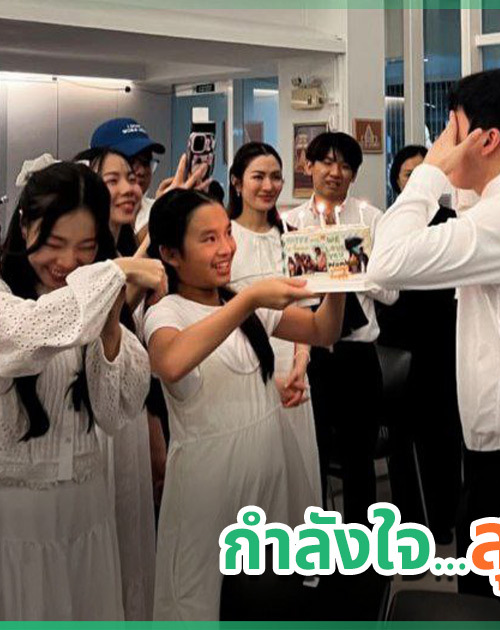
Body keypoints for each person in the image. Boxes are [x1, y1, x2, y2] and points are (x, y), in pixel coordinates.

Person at [367, 69, 500, 610]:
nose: (444, 142)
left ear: (487, 140)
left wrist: (429, 171)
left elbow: (386, 262)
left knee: (499, 611)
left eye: (452, 129)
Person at [0, 162, 162, 620]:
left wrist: (111, 320)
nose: (67, 262)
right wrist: (112, 272)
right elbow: (23, 338)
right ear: (24, 225)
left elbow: (114, 410)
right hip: (8, 520)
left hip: (85, 514)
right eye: (54, 243)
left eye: (86, 247)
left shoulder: (92, 298)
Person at [143, 189, 345, 620]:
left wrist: (339, 282)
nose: (227, 248)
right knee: (199, 600)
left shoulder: (242, 303)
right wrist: (248, 300)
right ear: (171, 254)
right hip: (208, 486)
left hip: (266, 471)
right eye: (209, 239)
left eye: (227, 234)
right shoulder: (166, 312)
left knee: (264, 599)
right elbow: (171, 362)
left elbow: (321, 330)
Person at [282, 132, 398, 526]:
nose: (335, 172)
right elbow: (287, 294)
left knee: (358, 458)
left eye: (346, 166)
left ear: (354, 174)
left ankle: (360, 544)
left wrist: (352, 269)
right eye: (327, 162)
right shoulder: (290, 223)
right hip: (308, 353)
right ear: (308, 166)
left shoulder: (371, 220)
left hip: (358, 355)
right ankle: (315, 539)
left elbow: (391, 294)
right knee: (310, 454)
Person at [78, 145, 160, 620]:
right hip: (95, 412)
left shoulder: (125, 249)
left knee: (129, 528)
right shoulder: (83, 259)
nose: (130, 188)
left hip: (128, 406)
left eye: (131, 177)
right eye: (114, 180)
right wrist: (136, 262)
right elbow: (103, 319)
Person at [225, 141, 322, 523]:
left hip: (292, 369)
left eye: (276, 177)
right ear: (237, 182)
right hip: (242, 369)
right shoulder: (224, 239)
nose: (268, 186)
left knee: (297, 478)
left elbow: (306, 312)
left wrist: (301, 362)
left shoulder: (294, 238)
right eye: (258, 177)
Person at [376, 144, 462, 543]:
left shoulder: (452, 221)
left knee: (443, 431)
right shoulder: (390, 221)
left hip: (443, 335)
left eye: (424, 172)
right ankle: (407, 521)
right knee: (403, 435)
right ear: (397, 180)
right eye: (408, 173)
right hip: (399, 337)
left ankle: (445, 518)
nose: (416, 180)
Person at [90, 117, 166, 238]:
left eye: (146, 162)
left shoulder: (155, 209)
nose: (141, 171)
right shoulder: (81, 222)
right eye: (131, 161)